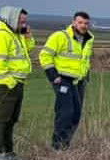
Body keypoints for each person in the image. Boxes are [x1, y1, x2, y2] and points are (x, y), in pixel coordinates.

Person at [0, 6, 35, 160]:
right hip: (5, 84)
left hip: (17, 83)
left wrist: (27, 37)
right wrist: (10, 82)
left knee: (12, 119)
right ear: (11, 19)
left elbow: (27, 51)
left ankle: (9, 153)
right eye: (21, 21)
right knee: (2, 119)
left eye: (25, 22)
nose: (24, 24)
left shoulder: (15, 35)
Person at [39, 11, 95, 150]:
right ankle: (58, 147)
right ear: (74, 22)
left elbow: (83, 60)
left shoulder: (88, 39)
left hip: (79, 81)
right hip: (63, 80)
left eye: (86, 23)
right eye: (80, 22)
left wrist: (85, 76)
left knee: (76, 114)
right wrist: (53, 76)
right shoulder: (60, 36)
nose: (83, 26)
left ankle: (65, 145)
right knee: (65, 113)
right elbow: (45, 55)